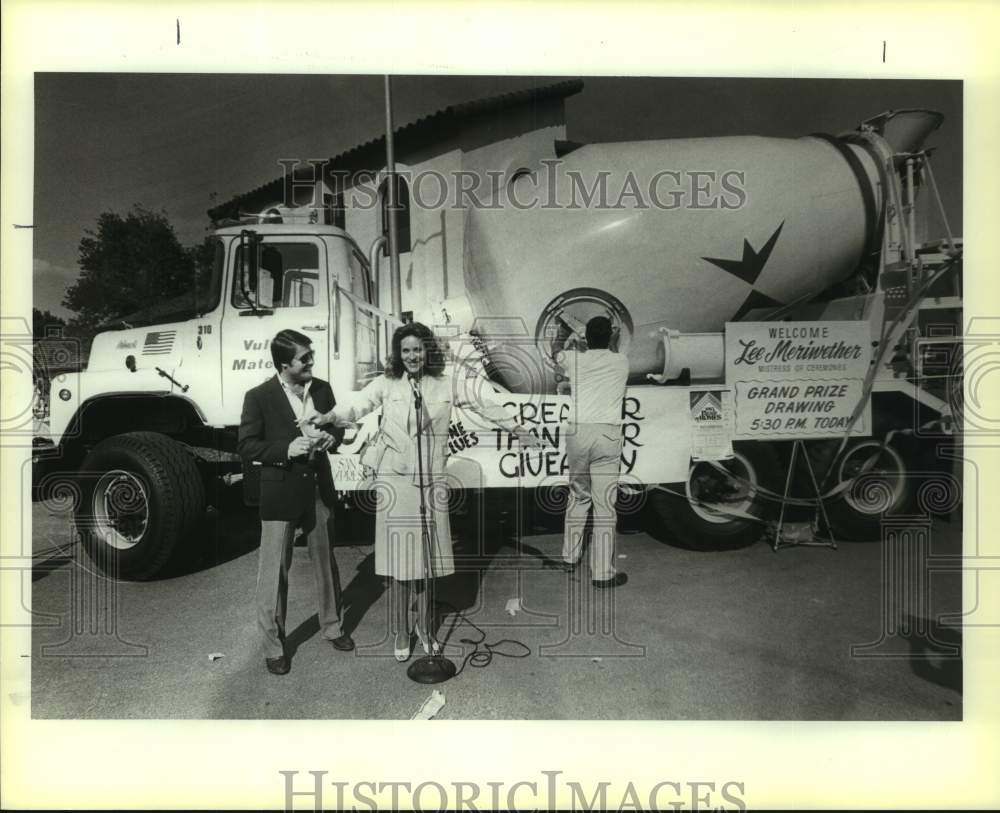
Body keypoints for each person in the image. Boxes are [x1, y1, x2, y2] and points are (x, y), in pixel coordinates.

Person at [308, 322, 539, 662]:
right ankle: (401, 628)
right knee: (401, 561)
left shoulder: (446, 384)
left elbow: (484, 401)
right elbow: (358, 405)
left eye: (417, 349)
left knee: (427, 561)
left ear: (427, 351)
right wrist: (330, 415)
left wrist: (518, 428)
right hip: (397, 481)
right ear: (398, 354)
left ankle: (425, 627)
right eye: (405, 350)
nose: (412, 356)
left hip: (430, 482)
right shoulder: (386, 384)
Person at [237, 329, 354, 676]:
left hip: (318, 488)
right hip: (280, 491)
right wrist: (286, 450)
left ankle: (332, 626)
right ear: (284, 363)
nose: (311, 363)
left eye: (310, 356)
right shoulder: (258, 397)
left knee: (325, 563)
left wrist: (329, 440)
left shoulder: (321, 389)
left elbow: (339, 429)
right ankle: (273, 646)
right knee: (274, 572)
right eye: (304, 358)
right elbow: (246, 445)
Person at [555, 315, 630, 588]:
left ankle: (569, 556)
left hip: (578, 432)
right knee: (604, 504)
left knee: (578, 495)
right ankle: (601, 572)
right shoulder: (621, 361)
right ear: (610, 336)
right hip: (607, 432)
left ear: (586, 338)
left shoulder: (574, 359)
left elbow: (555, 353)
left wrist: (566, 333)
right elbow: (616, 345)